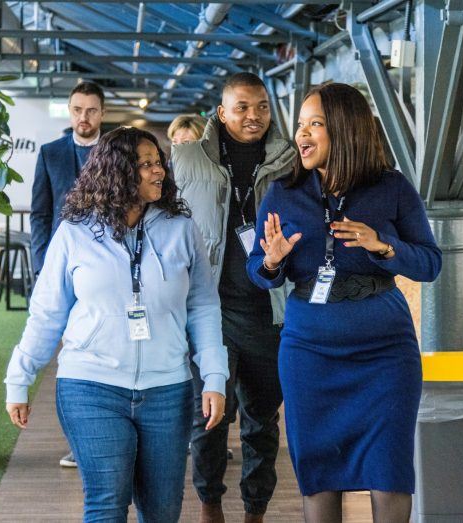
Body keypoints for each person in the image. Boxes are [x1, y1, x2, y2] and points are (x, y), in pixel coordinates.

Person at [5, 127, 228, 522]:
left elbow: (204, 306)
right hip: (90, 387)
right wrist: (19, 378)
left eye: (158, 163)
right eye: (145, 165)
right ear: (117, 171)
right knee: (107, 504)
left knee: (162, 511)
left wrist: (214, 376)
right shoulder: (75, 233)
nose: (158, 171)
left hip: (167, 389)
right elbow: (47, 312)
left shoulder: (180, 229)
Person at [246, 82, 442, 523]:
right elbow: (256, 270)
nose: (302, 135)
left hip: (385, 354)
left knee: (389, 469)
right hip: (309, 353)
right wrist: (273, 262)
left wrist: (384, 246)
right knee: (318, 470)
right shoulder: (283, 192)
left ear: (346, 129)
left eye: (315, 123)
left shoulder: (392, 188)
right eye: (300, 125)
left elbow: (430, 264)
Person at [172, 72, 295, 523]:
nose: (254, 116)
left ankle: (256, 511)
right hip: (209, 310)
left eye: (262, 106)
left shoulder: (287, 161)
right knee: (208, 419)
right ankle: (210, 506)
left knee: (263, 422)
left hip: (268, 309)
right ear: (221, 113)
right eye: (242, 107)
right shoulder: (186, 159)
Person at [29, 81, 105, 468]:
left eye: (91, 110)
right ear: (70, 110)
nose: (84, 117)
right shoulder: (50, 154)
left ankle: (95, 440)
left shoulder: (115, 153)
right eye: (77, 109)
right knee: (69, 361)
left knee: (97, 355)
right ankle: (79, 443)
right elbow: (39, 214)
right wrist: (41, 267)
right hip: (60, 273)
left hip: (105, 273)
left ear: (101, 114)